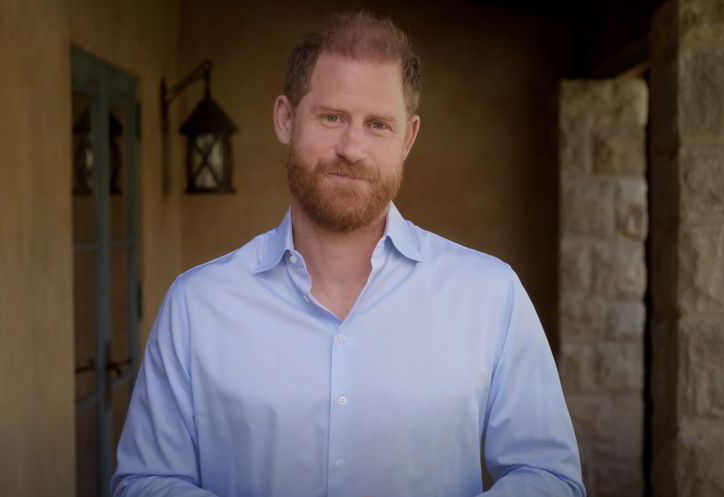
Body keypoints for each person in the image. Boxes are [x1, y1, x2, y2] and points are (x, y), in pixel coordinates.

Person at [113, 11, 585, 497]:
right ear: (285, 119)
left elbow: (550, 477)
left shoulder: (491, 295)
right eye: (332, 117)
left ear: (408, 139)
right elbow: (145, 481)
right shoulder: (197, 304)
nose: (352, 148)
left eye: (378, 124)